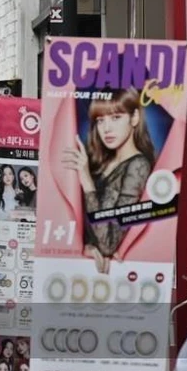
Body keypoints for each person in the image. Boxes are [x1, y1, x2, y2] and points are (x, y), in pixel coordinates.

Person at [62, 88, 155, 274]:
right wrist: (84, 247)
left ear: (134, 117)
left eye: (116, 117)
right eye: (100, 120)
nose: (107, 129)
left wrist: (87, 183)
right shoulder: (100, 161)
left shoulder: (138, 166)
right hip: (84, 271)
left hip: (118, 278)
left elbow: (108, 244)